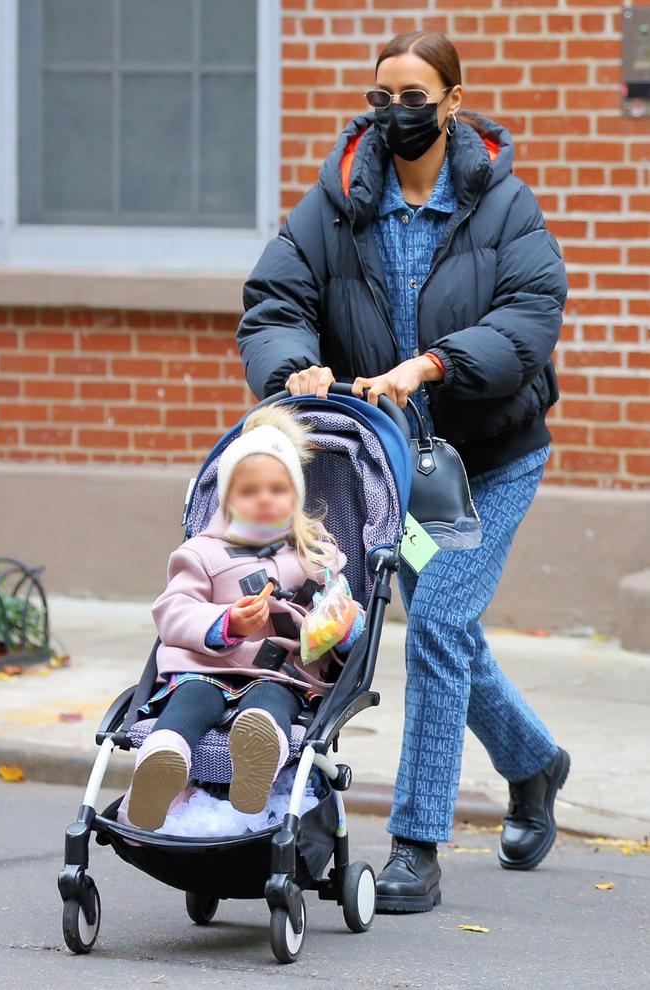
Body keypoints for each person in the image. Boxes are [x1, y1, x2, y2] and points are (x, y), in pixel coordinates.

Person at [238, 31, 570, 911]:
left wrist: (431, 365)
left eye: (415, 95)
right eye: (382, 96)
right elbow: (277, 300)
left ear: (454, 102)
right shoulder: (340, 197)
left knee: (436, 624)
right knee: (444, 626)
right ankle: (536, 765)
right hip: (397, 466)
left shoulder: (504, 204)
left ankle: (418, 844)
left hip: (492, 458)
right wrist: (293, 369)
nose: (396, 113)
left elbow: (531, 317)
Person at [121, 404, 364, 831]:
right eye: (250, 492)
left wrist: (343, 628)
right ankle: (163, 757)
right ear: (228, 501)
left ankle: (257, 760)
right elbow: (173, 611)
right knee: (192, 701)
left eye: (277, 489)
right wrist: (226, 622)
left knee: (268, 704)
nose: (265, 499)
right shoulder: (202, 553)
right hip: (209, 669)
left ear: (296, 497)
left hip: (280, 674)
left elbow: (341, 607)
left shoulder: (316, 556)